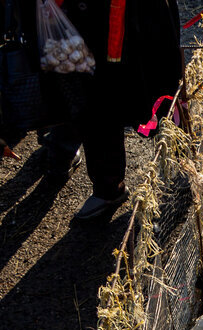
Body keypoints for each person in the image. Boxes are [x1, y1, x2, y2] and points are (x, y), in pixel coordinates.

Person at [2, 0, 182, 221]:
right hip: (71, 22)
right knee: (68, 77)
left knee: (106, 97)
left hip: (113, 23)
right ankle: (64, 148)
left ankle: (114, 186)